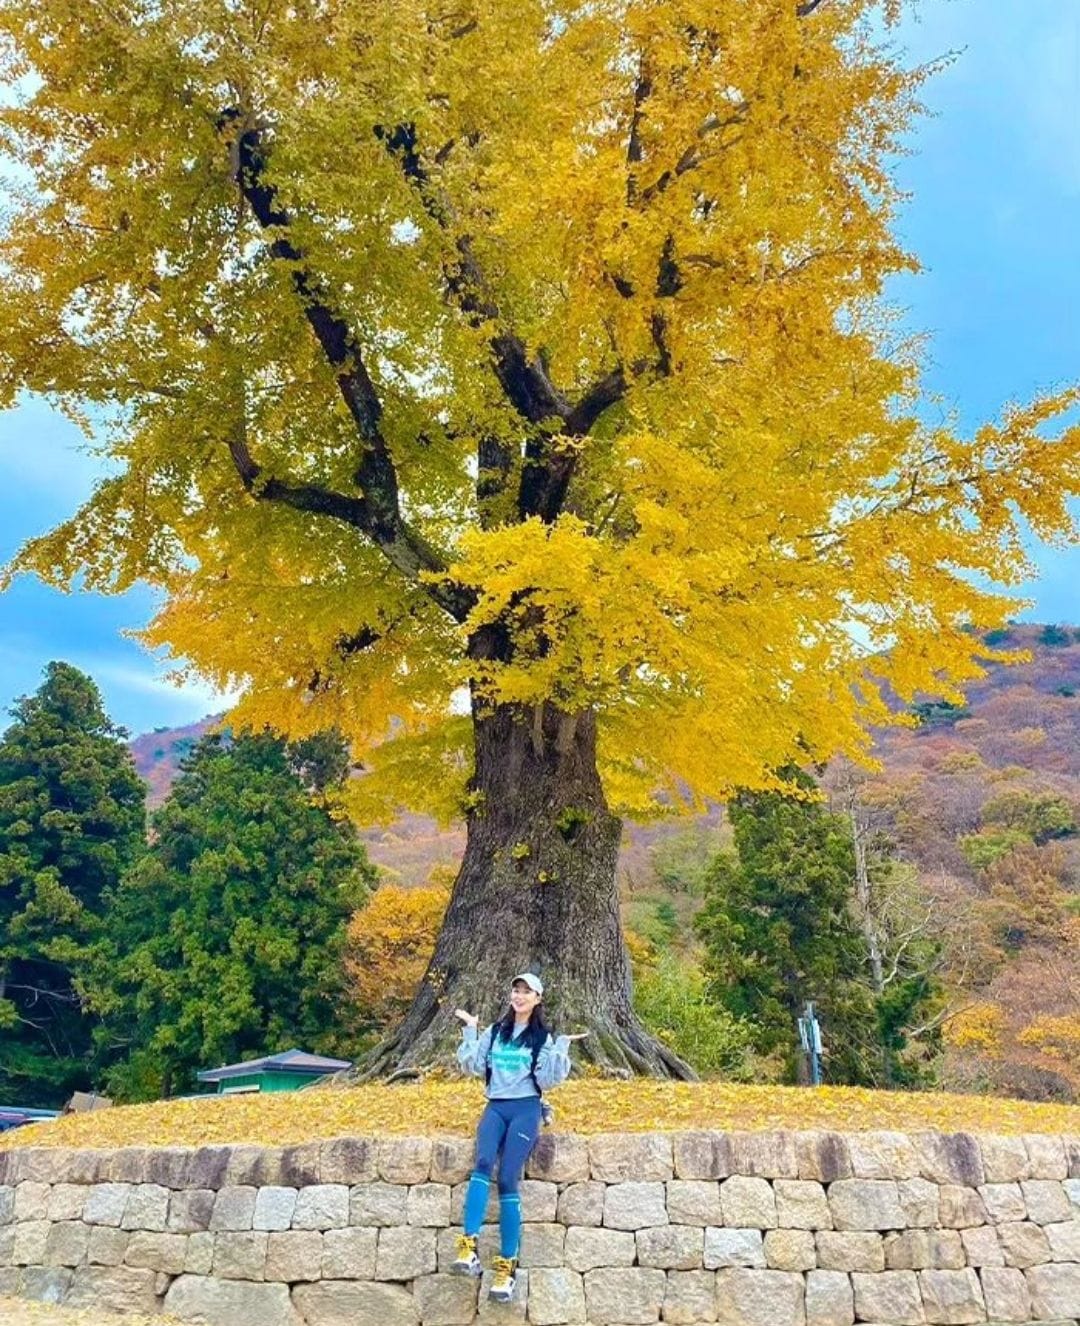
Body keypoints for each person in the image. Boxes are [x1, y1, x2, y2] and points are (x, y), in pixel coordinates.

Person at [450, 971, 587, 1302]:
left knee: (509, 1178)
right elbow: (472, 1065)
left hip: (525, 1109)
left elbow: (549, 1079)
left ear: (537, 999)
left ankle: (506, 1268)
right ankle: (468, 1246)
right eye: (516, 989)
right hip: (495, 1107)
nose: (519, 995)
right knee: (482, 1163)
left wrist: (562, 1046)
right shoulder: (496, 1032)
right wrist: (471, 1027)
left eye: (527, 991)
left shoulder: (542, 1038)